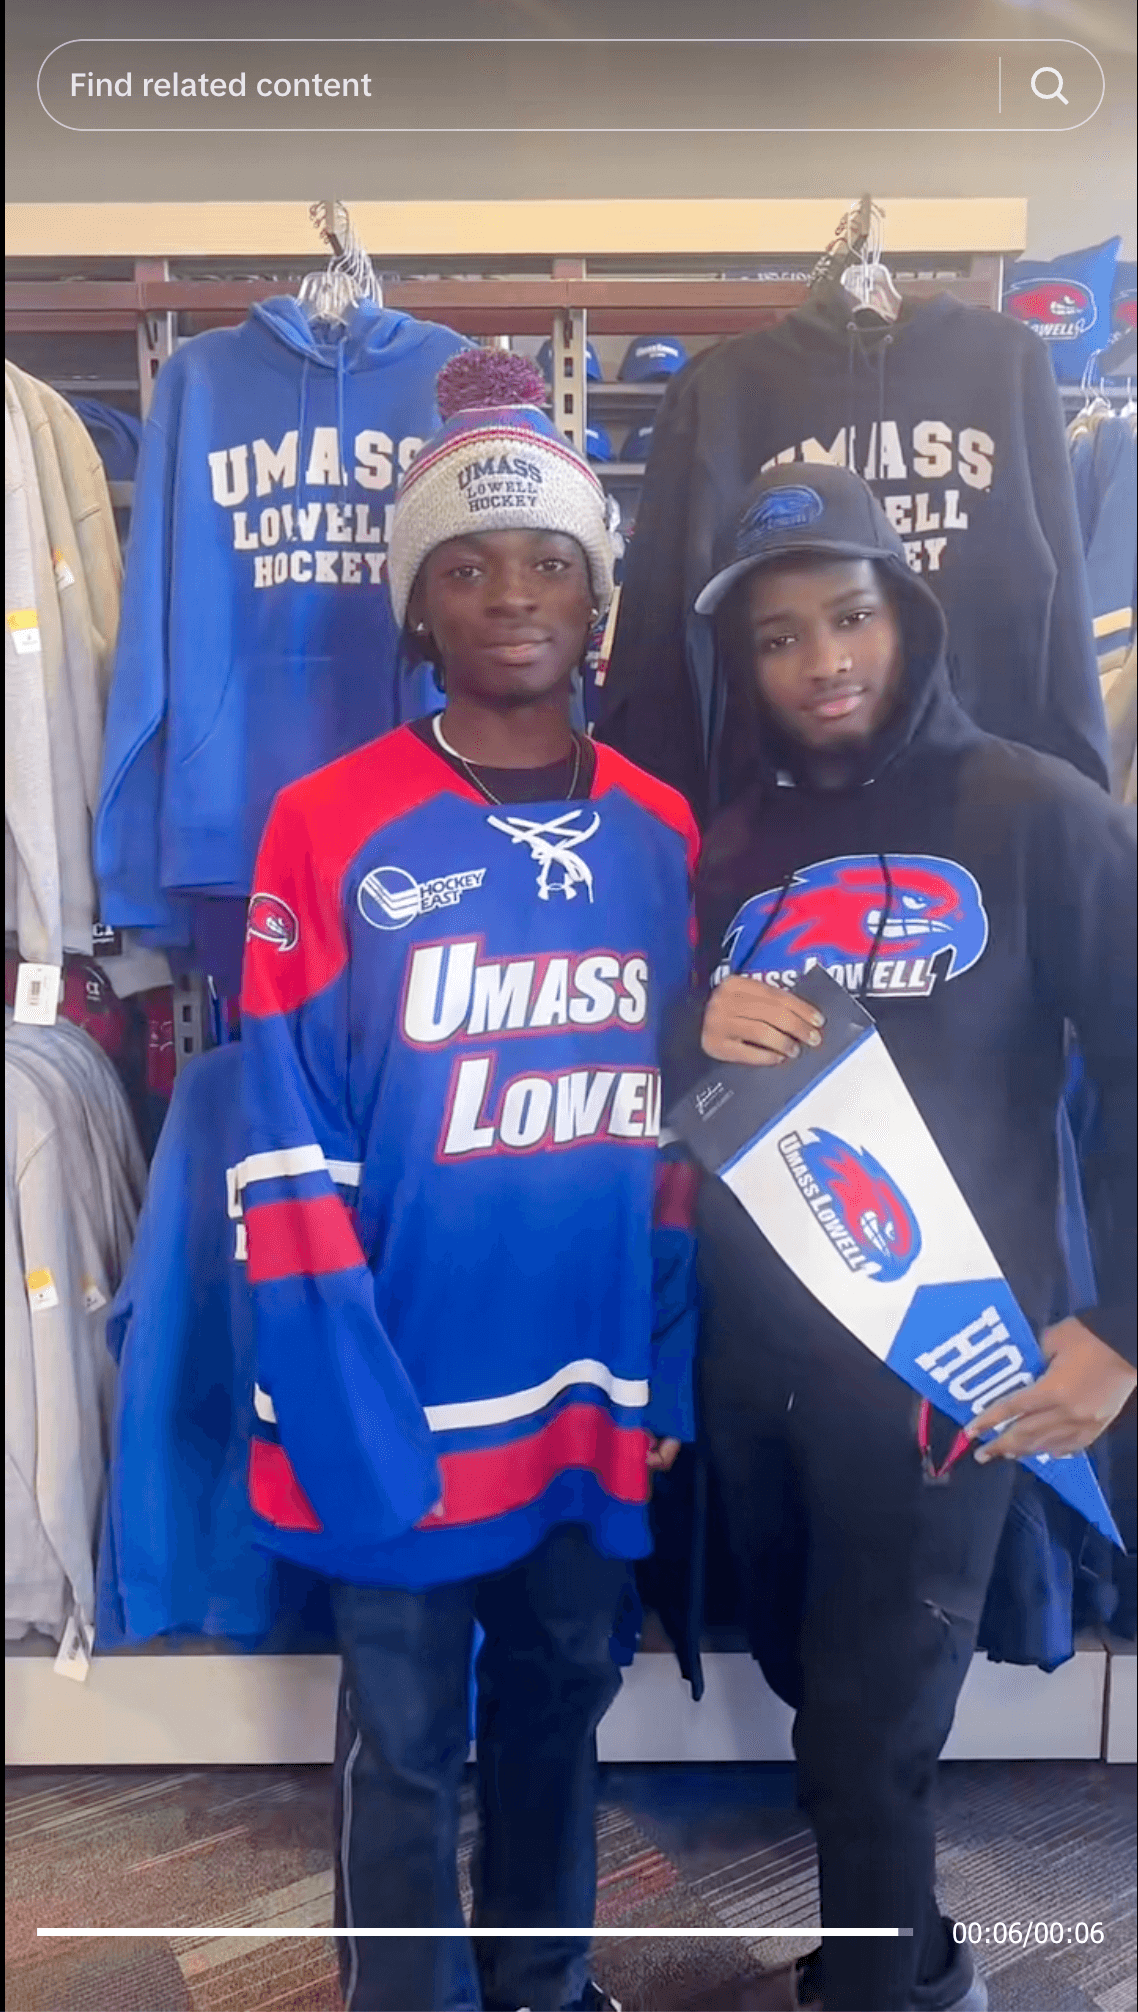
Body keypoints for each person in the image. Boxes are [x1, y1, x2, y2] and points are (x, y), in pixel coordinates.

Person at [238, 348, 700, 2012]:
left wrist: (668, 1358)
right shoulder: (326, 824)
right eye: (465, 565)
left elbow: (672, 1138)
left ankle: (546, 1983)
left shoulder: (661, 832)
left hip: (586, 1384)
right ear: (414, 610)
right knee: (408, 1735)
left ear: (598, 606)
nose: (512, 595)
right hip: (399, 1386)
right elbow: (281, 1138)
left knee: (563, 1703)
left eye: (549, 565)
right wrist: (336, 1387)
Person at [678, 461, 1136, 2012]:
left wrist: (1124, 1330)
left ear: (908, 619)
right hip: (755, 1357)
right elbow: (683, 1083)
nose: (824, 662)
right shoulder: (724, 841)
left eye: (852, 616)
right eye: (781, 636)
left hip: (946, 1353)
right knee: (820, 1690)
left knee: (869, 1725)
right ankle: (909, 1951)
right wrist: (691, 1022)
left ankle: (887, 1988)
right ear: (739, 664)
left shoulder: (1034, 810)